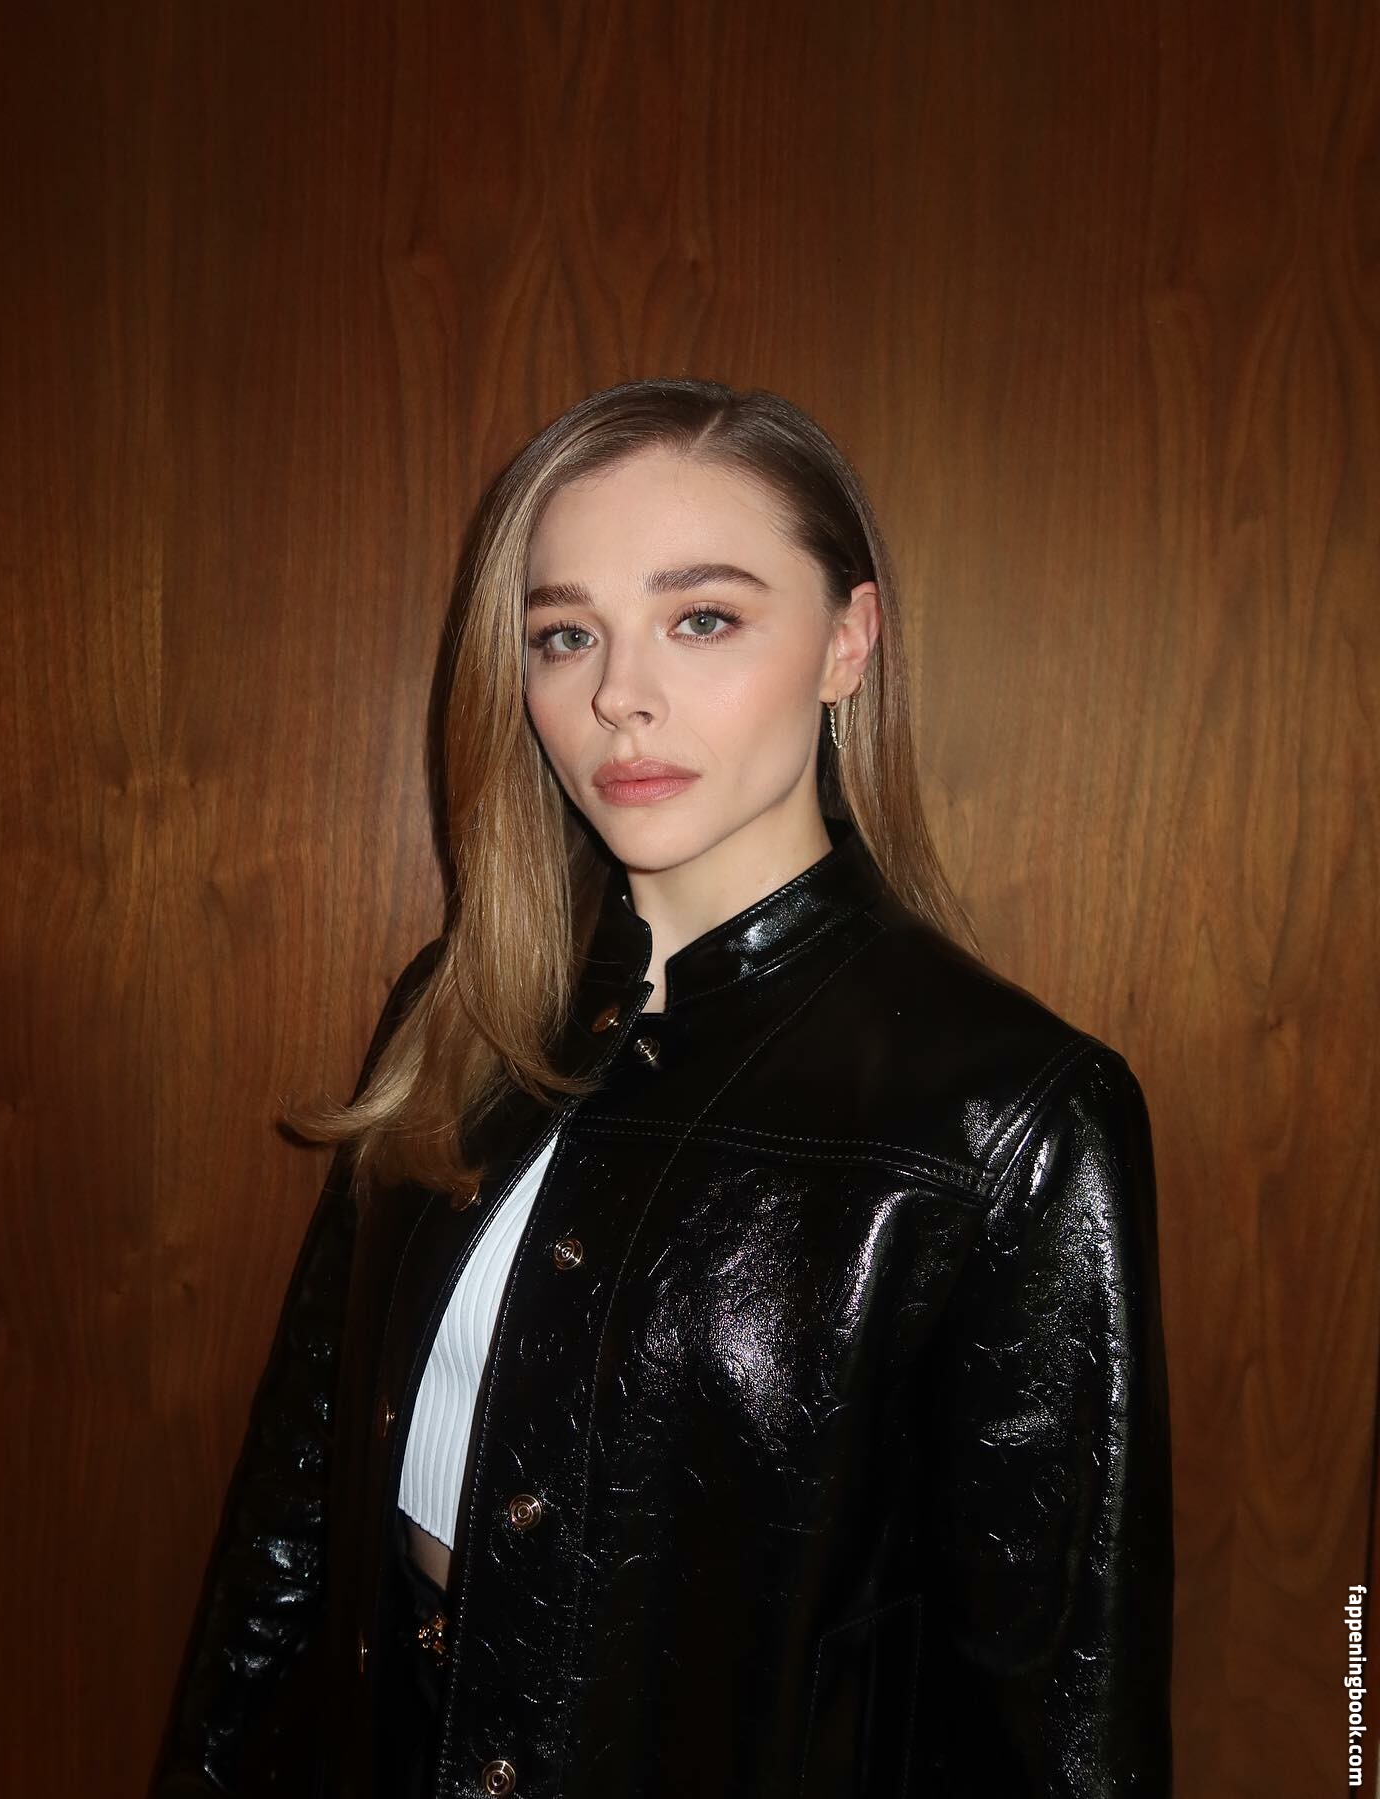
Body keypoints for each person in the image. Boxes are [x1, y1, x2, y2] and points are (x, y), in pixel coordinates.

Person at [151, 377, 1174, 1798]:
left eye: (702, 619)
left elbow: (1053, 1718)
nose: (616, 696)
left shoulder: (1006, 1118)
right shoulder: (462, 1007)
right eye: (565, 634)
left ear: (848, 641)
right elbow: (298, 1492)